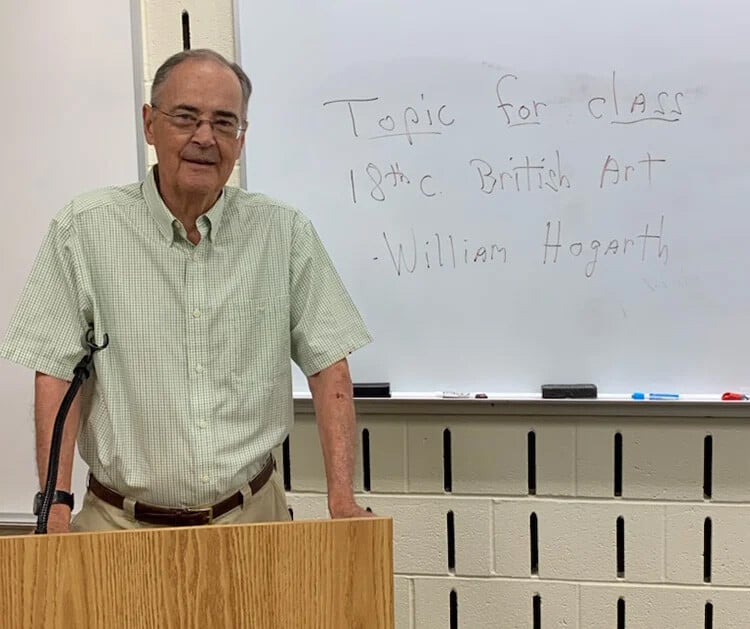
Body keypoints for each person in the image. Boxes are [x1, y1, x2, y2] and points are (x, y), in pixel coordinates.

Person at [0, 49, 373, 533]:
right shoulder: (84, 230)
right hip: (117, 524)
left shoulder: (284, 233)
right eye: (186, 117)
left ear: (241, 140)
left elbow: (330, 367)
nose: (205, 137)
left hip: (252, 521)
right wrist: (54, 503)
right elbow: (53, 371)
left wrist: (342, 500)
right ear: (150, 124)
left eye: (224, 123)